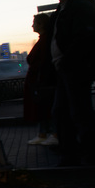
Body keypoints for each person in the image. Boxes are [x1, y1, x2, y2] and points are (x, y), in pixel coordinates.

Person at [48, 0, 95, 166]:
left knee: (80, 113)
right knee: (62, 112)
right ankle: (71, 153)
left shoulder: (80, 7)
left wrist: (66, 60)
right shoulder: (64, 8)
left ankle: (92, 157)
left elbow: (86, 37)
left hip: (76, 69)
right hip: (66, 69)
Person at [24, 13, 57, 145]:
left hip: (43, 81)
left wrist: (40, 79)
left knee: (46, 107)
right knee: (44, 108)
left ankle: (54, 134)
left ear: (41, 24)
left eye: (34, 23)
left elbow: (42, 61)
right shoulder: (44, 39)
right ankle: (44, 134)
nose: (32, 25)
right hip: (41, 80)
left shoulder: (46, 40)